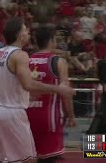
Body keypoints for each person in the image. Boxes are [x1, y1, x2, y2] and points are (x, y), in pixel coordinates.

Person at [0, 17, 76, 163]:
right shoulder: (20, 54)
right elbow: (28, 84)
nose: (28, 33)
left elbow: (6, 81)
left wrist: (24, 94)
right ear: (19, 35)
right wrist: (59, 89)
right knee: (28, 159)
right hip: (11, 112)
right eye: (25, 30)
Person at [27, 27, 76, 163]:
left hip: (27, 115)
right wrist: (71, 115)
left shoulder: (27, 60)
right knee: (48, 158)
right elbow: (66, 93)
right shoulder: (58, 61)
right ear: (51, 41)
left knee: (30, 157)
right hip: (49, 117)